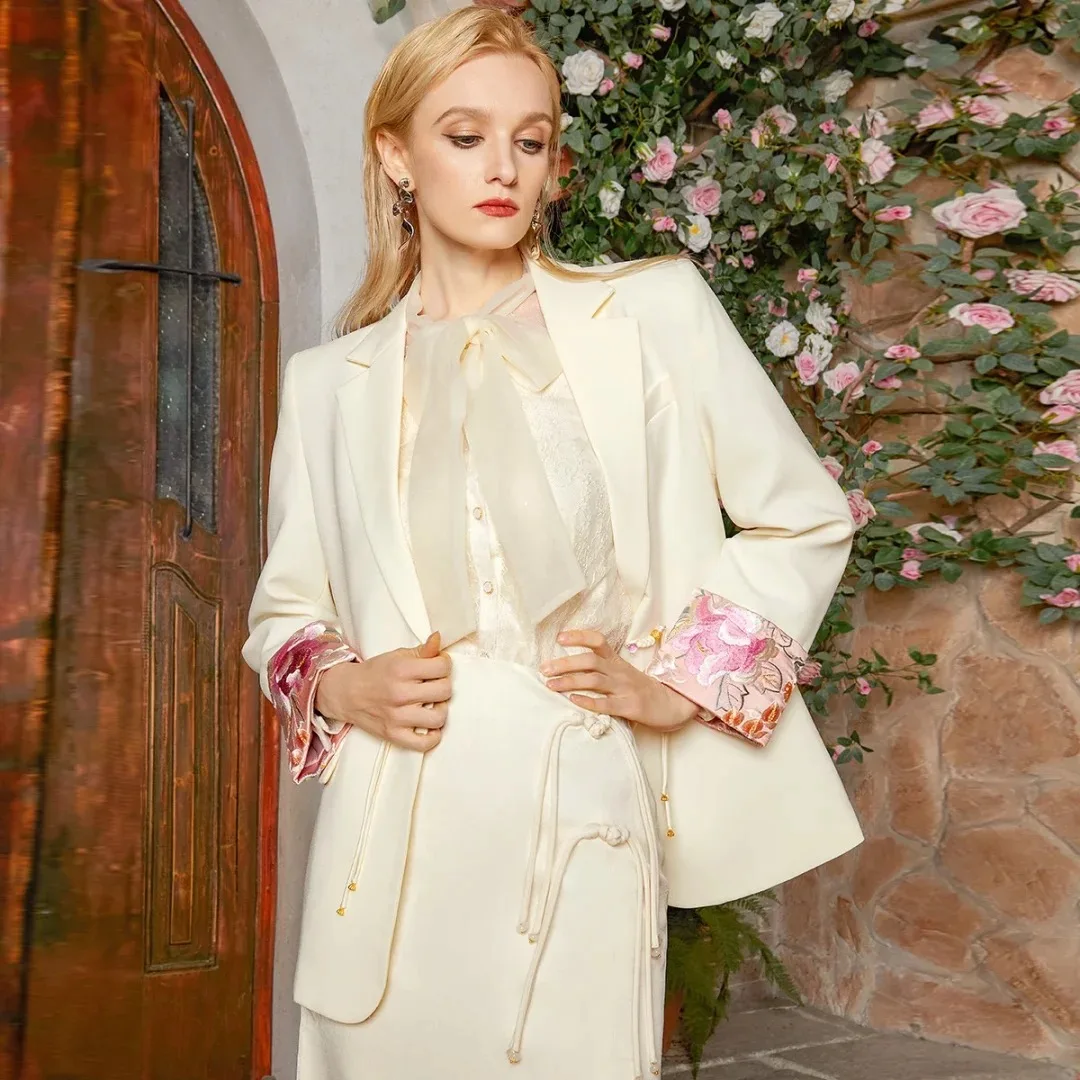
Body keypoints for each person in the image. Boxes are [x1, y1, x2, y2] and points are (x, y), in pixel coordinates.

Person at [242, 7, 863, 1079]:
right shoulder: (327, 386)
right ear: (396, 155)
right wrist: (342, 686)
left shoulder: (651, 315)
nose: (504, 168)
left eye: (530, 141)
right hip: (392, 835)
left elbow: (803, 515)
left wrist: (682, 683)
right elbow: (285, 611)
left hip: (582, 808)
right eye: (465, 136)